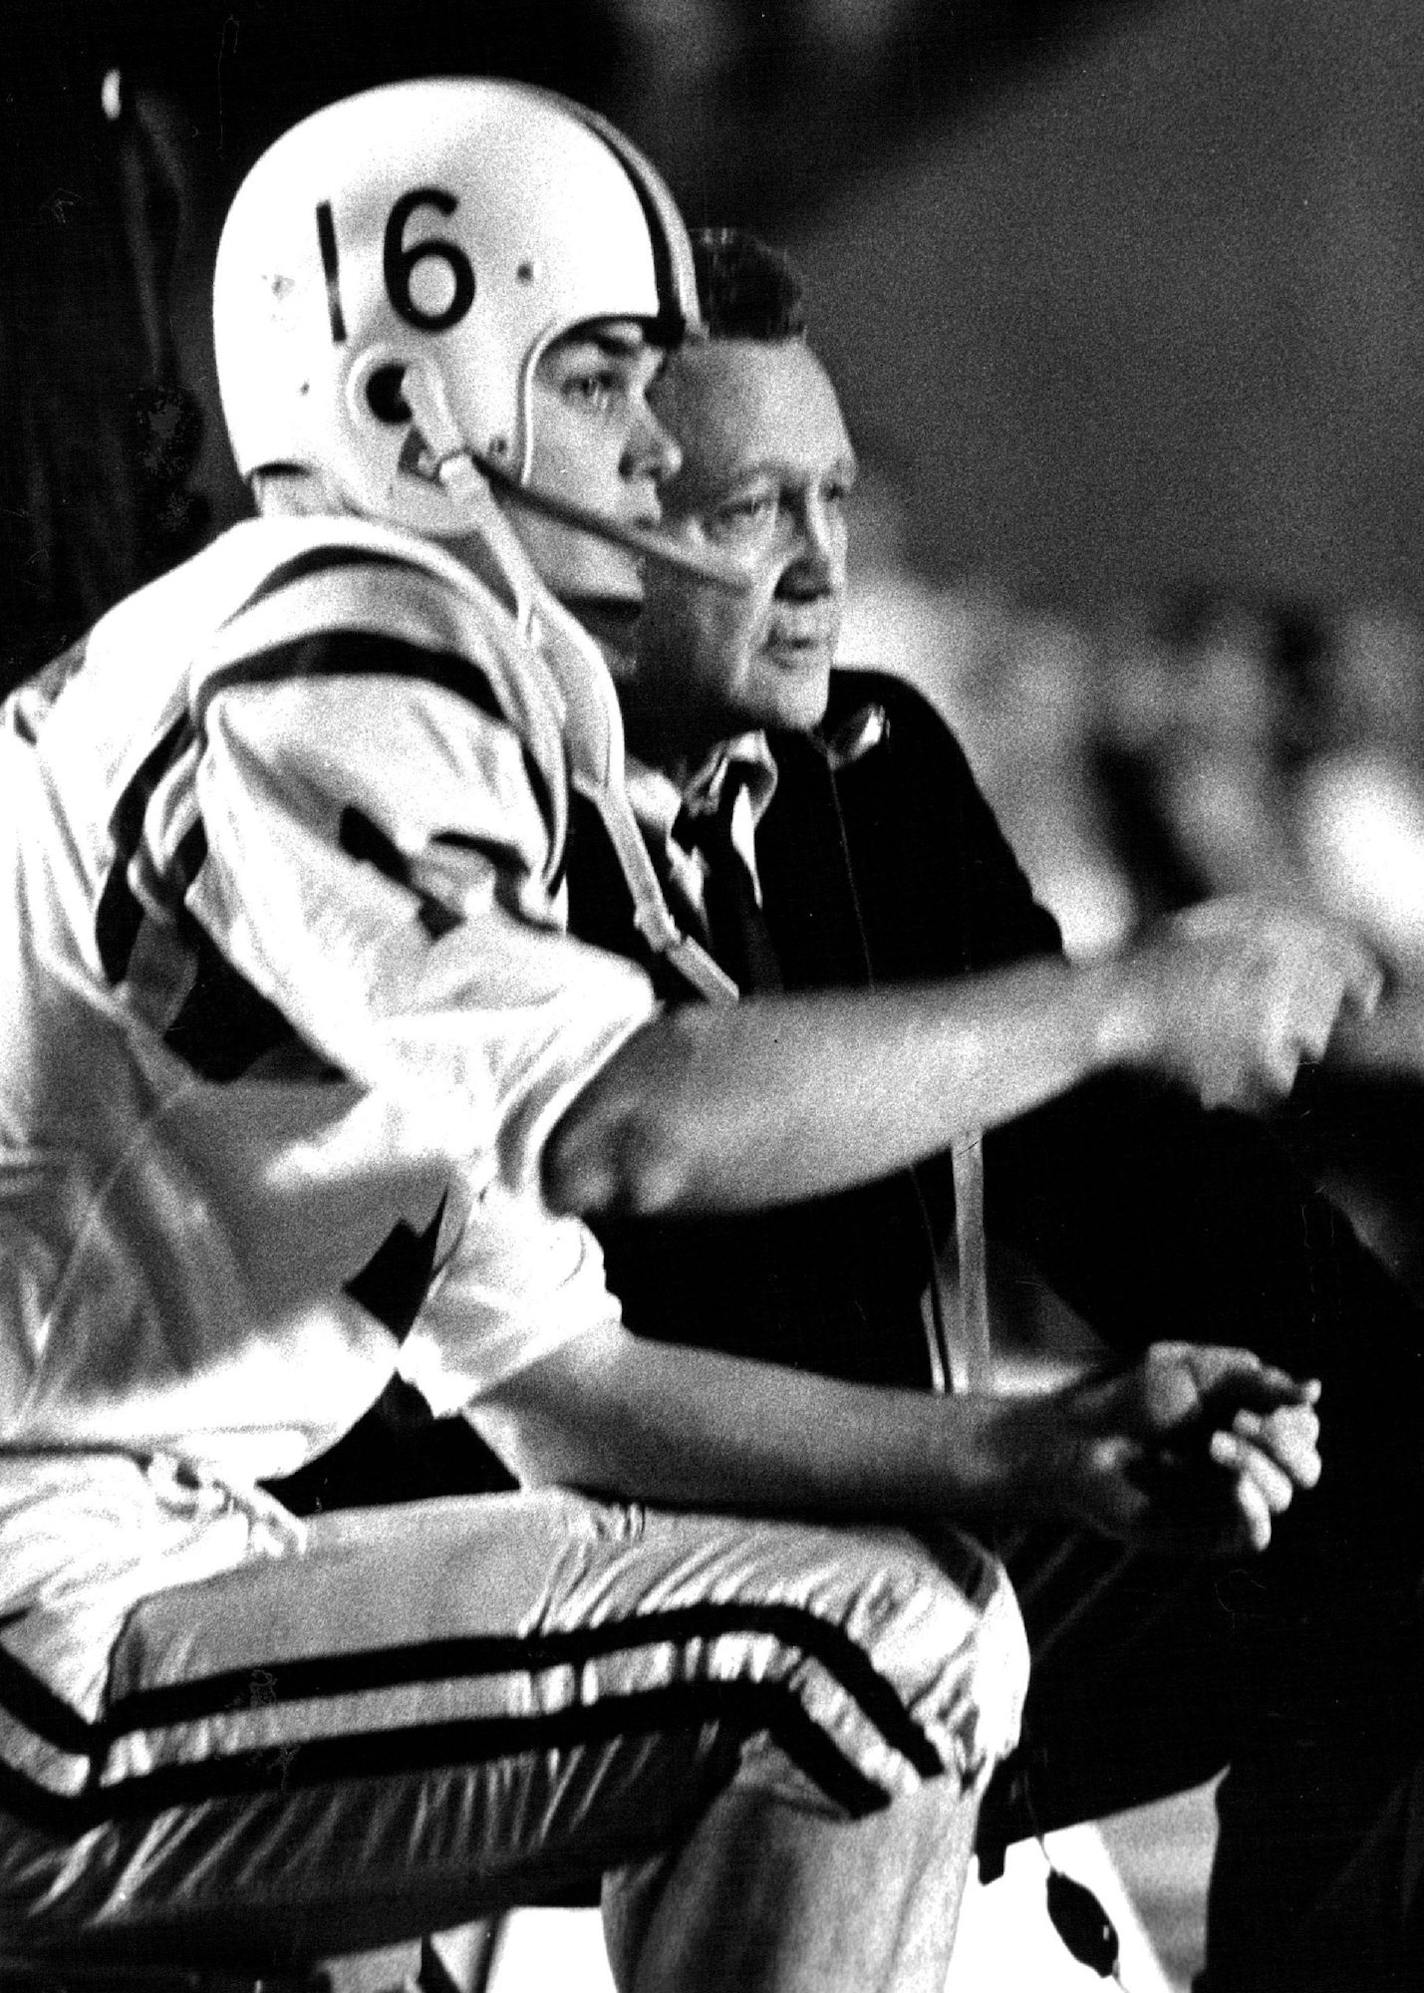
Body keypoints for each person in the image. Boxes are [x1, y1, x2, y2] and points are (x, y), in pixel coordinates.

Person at [0, 83, 1368, 1993]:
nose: (649, 452)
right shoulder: (339, 638)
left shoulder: (453, 742)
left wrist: (1039, 1447)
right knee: (852, 1667)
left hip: (172, 1566)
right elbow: (624, 1131)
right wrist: (1124, 999)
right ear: (408, 417)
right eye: (602, 384)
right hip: (66, 1593)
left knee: (898, 1628)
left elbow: (559, 1374)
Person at [530, 227, 1424, 1992]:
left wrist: (1372, 1386)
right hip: (602, 1638)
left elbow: (1118, 1165)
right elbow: (629, 1160)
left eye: (836, 500)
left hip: (938, 1555)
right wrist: (1118, 1002)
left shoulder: (872, 770)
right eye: (745, 512)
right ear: (593, 535)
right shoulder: (478, 824)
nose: (818, 568)